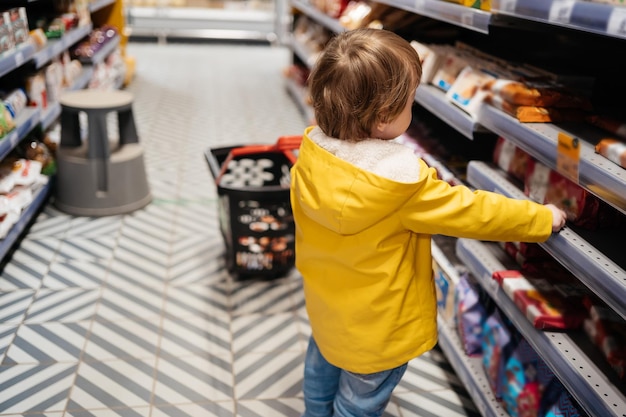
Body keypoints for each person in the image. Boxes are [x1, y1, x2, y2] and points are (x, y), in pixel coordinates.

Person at [289, 28, 567, 417]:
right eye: (410, 102)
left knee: (321, 370)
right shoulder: (400, 186)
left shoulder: (313, 158)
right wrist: (541, 216)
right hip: (379, 330)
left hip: (327, 309)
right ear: (385, 117)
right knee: (359, 401)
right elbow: (477, 212)